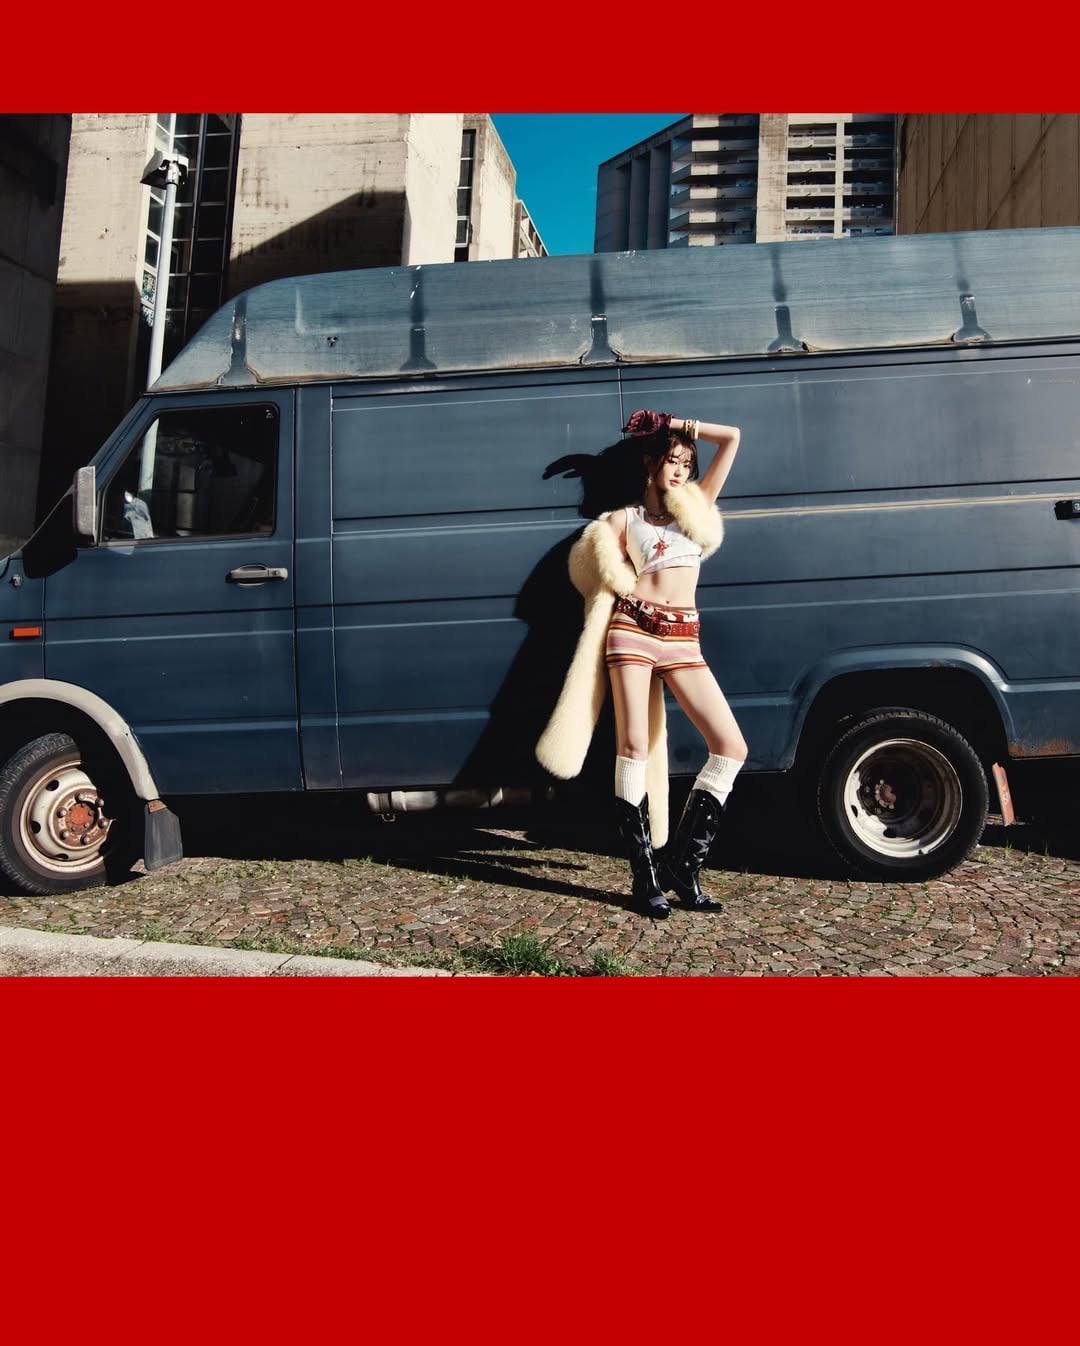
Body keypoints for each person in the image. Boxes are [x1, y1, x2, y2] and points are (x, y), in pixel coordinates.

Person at [536, 409, 747, 918]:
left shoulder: (697, 506)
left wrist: (679, 425)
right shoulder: (621, 520)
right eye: (672, 461)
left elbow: (733, 438)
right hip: (633, 633)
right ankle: (644, 876)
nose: (681, 471)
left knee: (730, 747)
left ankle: (684, 867)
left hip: (683, 639)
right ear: (651, 465)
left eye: (687, 464)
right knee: (631, 746)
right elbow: (587, 575)